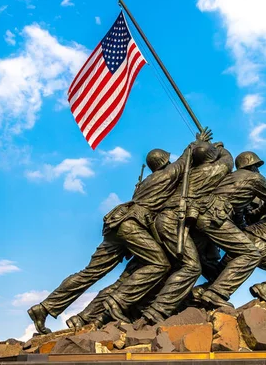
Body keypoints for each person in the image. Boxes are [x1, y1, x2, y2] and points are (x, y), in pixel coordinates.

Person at [27, 131, 211, 334]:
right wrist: (198, 142)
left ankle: (45, 307)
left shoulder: (145, 183)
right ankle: (118, 301)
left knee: (90, 273)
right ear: (165, 161)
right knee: (160, 264)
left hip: (117, 223)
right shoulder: (166, 175)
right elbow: (185, 161)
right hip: (132, 225)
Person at [134, 141, 234, 328]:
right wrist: (220, 148)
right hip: (173, 221)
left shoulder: (182, 176)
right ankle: (155, 312)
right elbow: (228, 161)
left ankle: (166, 304)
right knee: (192, 267)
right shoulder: (210, 171)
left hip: (165, 221)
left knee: (186, 265)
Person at [190, 151, 266, 308]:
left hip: (200, 215)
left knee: (196, 261)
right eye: (257, 166)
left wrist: (243, 228)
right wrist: (258, 212)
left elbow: (238, 212)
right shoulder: (255, 178)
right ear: (252, 165)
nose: (259, 170)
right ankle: (216, 293)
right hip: (214, 217)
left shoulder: (230, 178)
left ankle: (193, 295)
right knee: (251, 254)